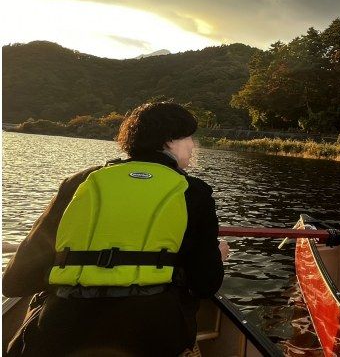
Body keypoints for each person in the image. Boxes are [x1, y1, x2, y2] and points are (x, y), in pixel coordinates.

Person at [3, 102, 230, 357]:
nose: (193, 146)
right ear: (169, 141)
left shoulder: (78, 182)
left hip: (57, 334)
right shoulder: (195, 193)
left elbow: (16, 281)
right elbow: (205, 284)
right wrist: (216, 256)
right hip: (151, 336)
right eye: (189, 137)